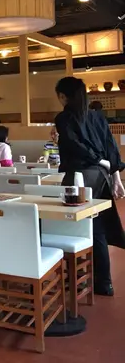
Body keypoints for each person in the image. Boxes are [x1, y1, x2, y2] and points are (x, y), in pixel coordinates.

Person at [54, 76, 125, 296]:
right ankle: (104, 283)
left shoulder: (64, 118)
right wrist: (115, 177)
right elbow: (111, 147)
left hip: (79, 178)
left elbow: (75, 146)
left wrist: (99, 160)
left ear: (63, 96)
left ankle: (77, 278)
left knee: (74, 228)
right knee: (99, 228)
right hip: (101, 177)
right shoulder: (97, 116)